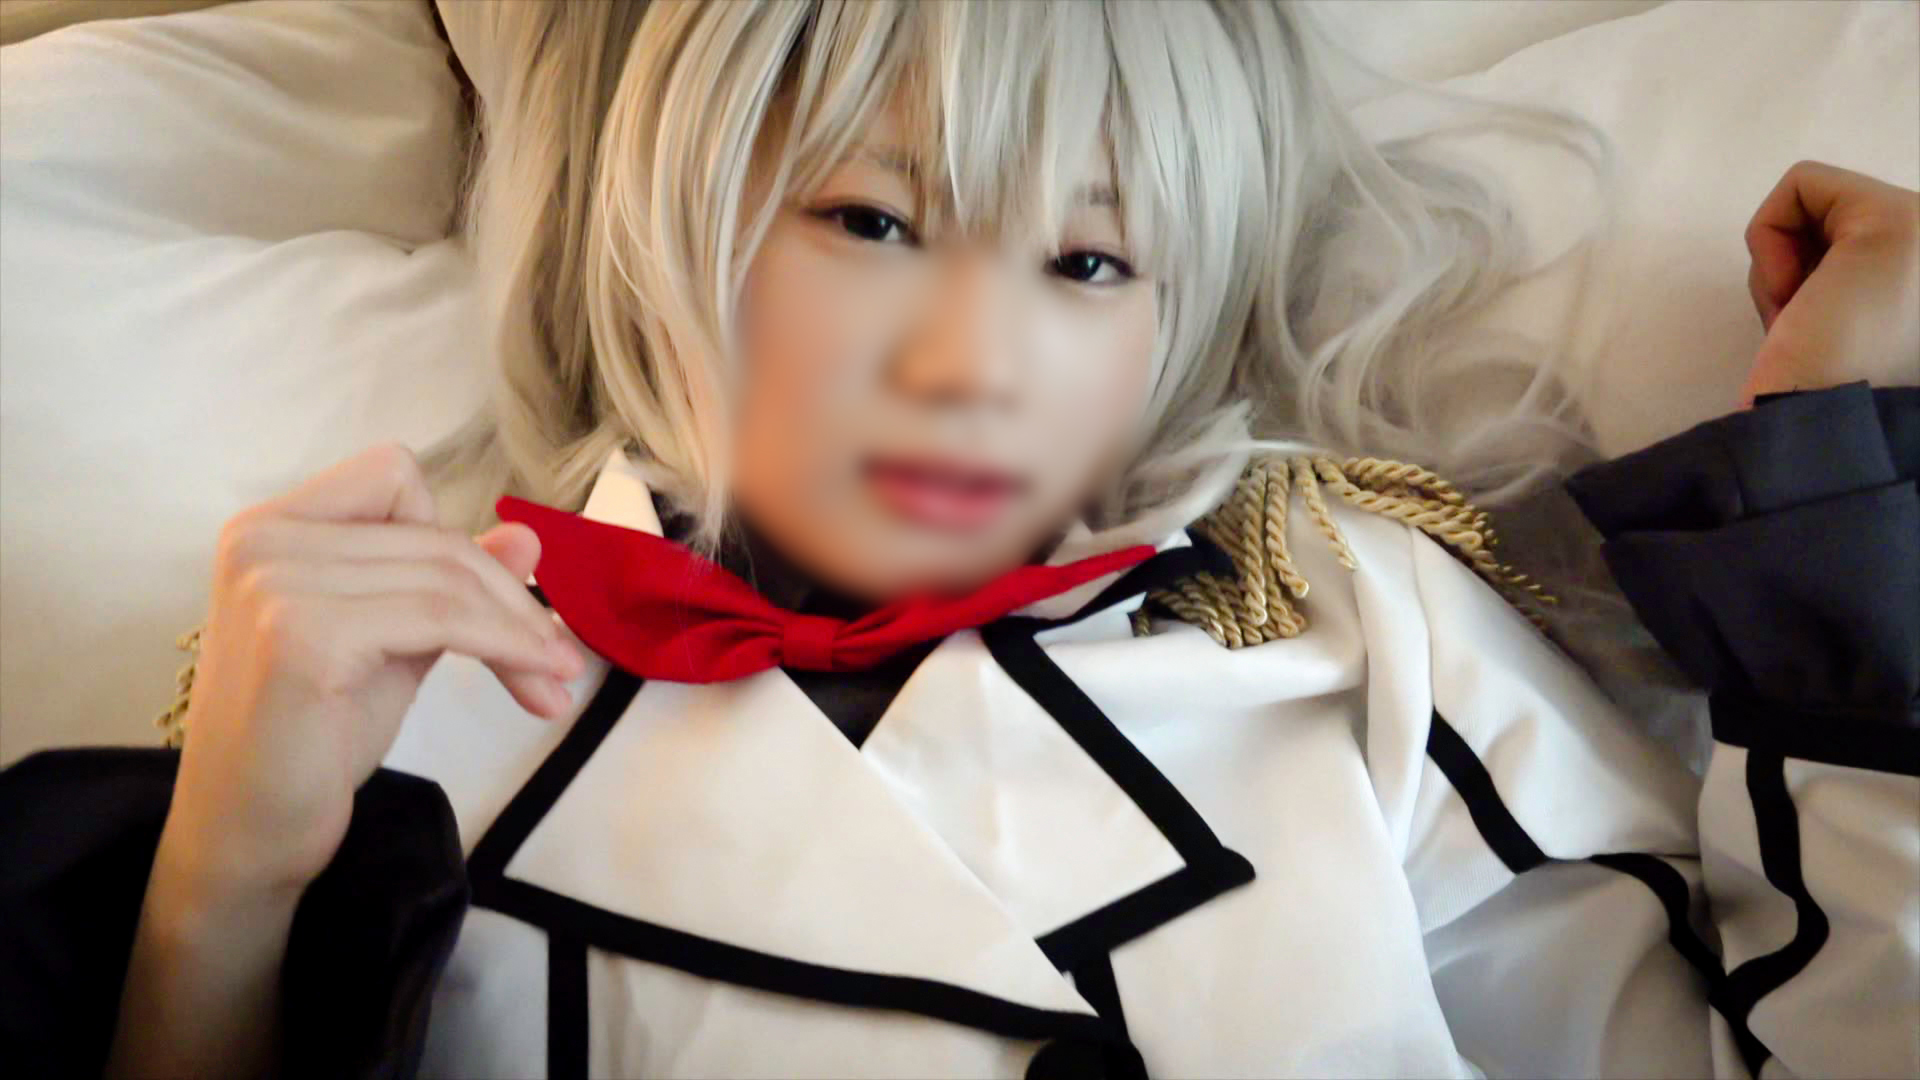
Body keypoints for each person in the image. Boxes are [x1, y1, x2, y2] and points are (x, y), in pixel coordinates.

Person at [1, 3, 1914, 1078]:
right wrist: (222, 884)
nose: (970, 362)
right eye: (873, 221)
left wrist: (1843, 458)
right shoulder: (401, 703)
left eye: (1088, 261)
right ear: (667, 225)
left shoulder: (1361, 630)